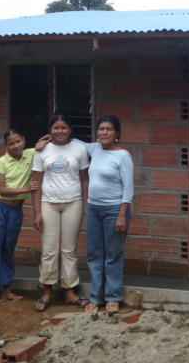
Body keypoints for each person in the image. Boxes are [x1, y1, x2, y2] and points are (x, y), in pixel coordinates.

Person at [31, 114, 90, 312]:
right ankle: (47, 292)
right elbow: (36, 184)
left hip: (73, 203)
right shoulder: (42, 149)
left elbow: (84, 179)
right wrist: (37, 212)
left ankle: (70, 292)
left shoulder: (79, 149)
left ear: (70, 129)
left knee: (69, 249)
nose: (60, 131)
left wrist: (86, 203)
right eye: (56, 127)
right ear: (50, 130)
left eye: (64, 127)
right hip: (48, 204)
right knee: (49, 250)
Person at [78, 115, 133, 313]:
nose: (104, 132)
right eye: (101, 129)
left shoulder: (123, 156)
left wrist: (121, 215)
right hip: (93, 209)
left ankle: (113, 296)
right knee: (94, 254)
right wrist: (47, 139)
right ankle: (96, 297)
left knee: (112, 254)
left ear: (117, 133)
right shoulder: (95, 149)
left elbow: (128, 188)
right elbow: (72, 142)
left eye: (109, 129)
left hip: (115, 210)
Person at [0, 129, 39, 312]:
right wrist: (26, 189)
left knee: (7, 249)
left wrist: (44, 140)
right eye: (11, 143)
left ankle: (6, 290)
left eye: (18, 141)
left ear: (24, 140)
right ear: (6, 146)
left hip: (15, 212)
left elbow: (46, 144)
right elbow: (3, 189)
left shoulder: (30, 154)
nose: (16, 146)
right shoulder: (1, 162)